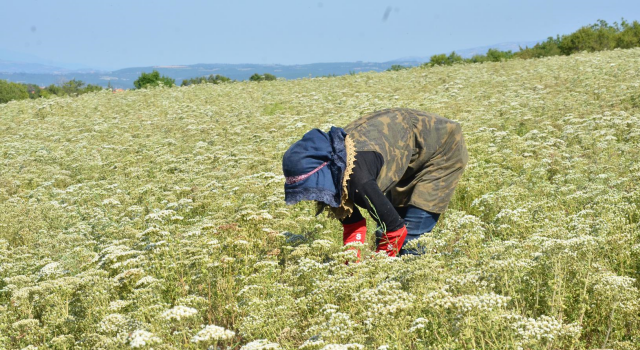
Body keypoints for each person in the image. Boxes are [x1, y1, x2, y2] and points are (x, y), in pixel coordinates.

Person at [282, 108, 468, 258]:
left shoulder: (358, 179)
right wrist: (348, 269)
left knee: (410, 239)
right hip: (404, 148)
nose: (310, 195)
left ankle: (409, 294)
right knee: (383, 232)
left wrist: (374, 272)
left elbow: (396, 230)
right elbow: (353, 226)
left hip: (440, 148)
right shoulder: (334, 170)